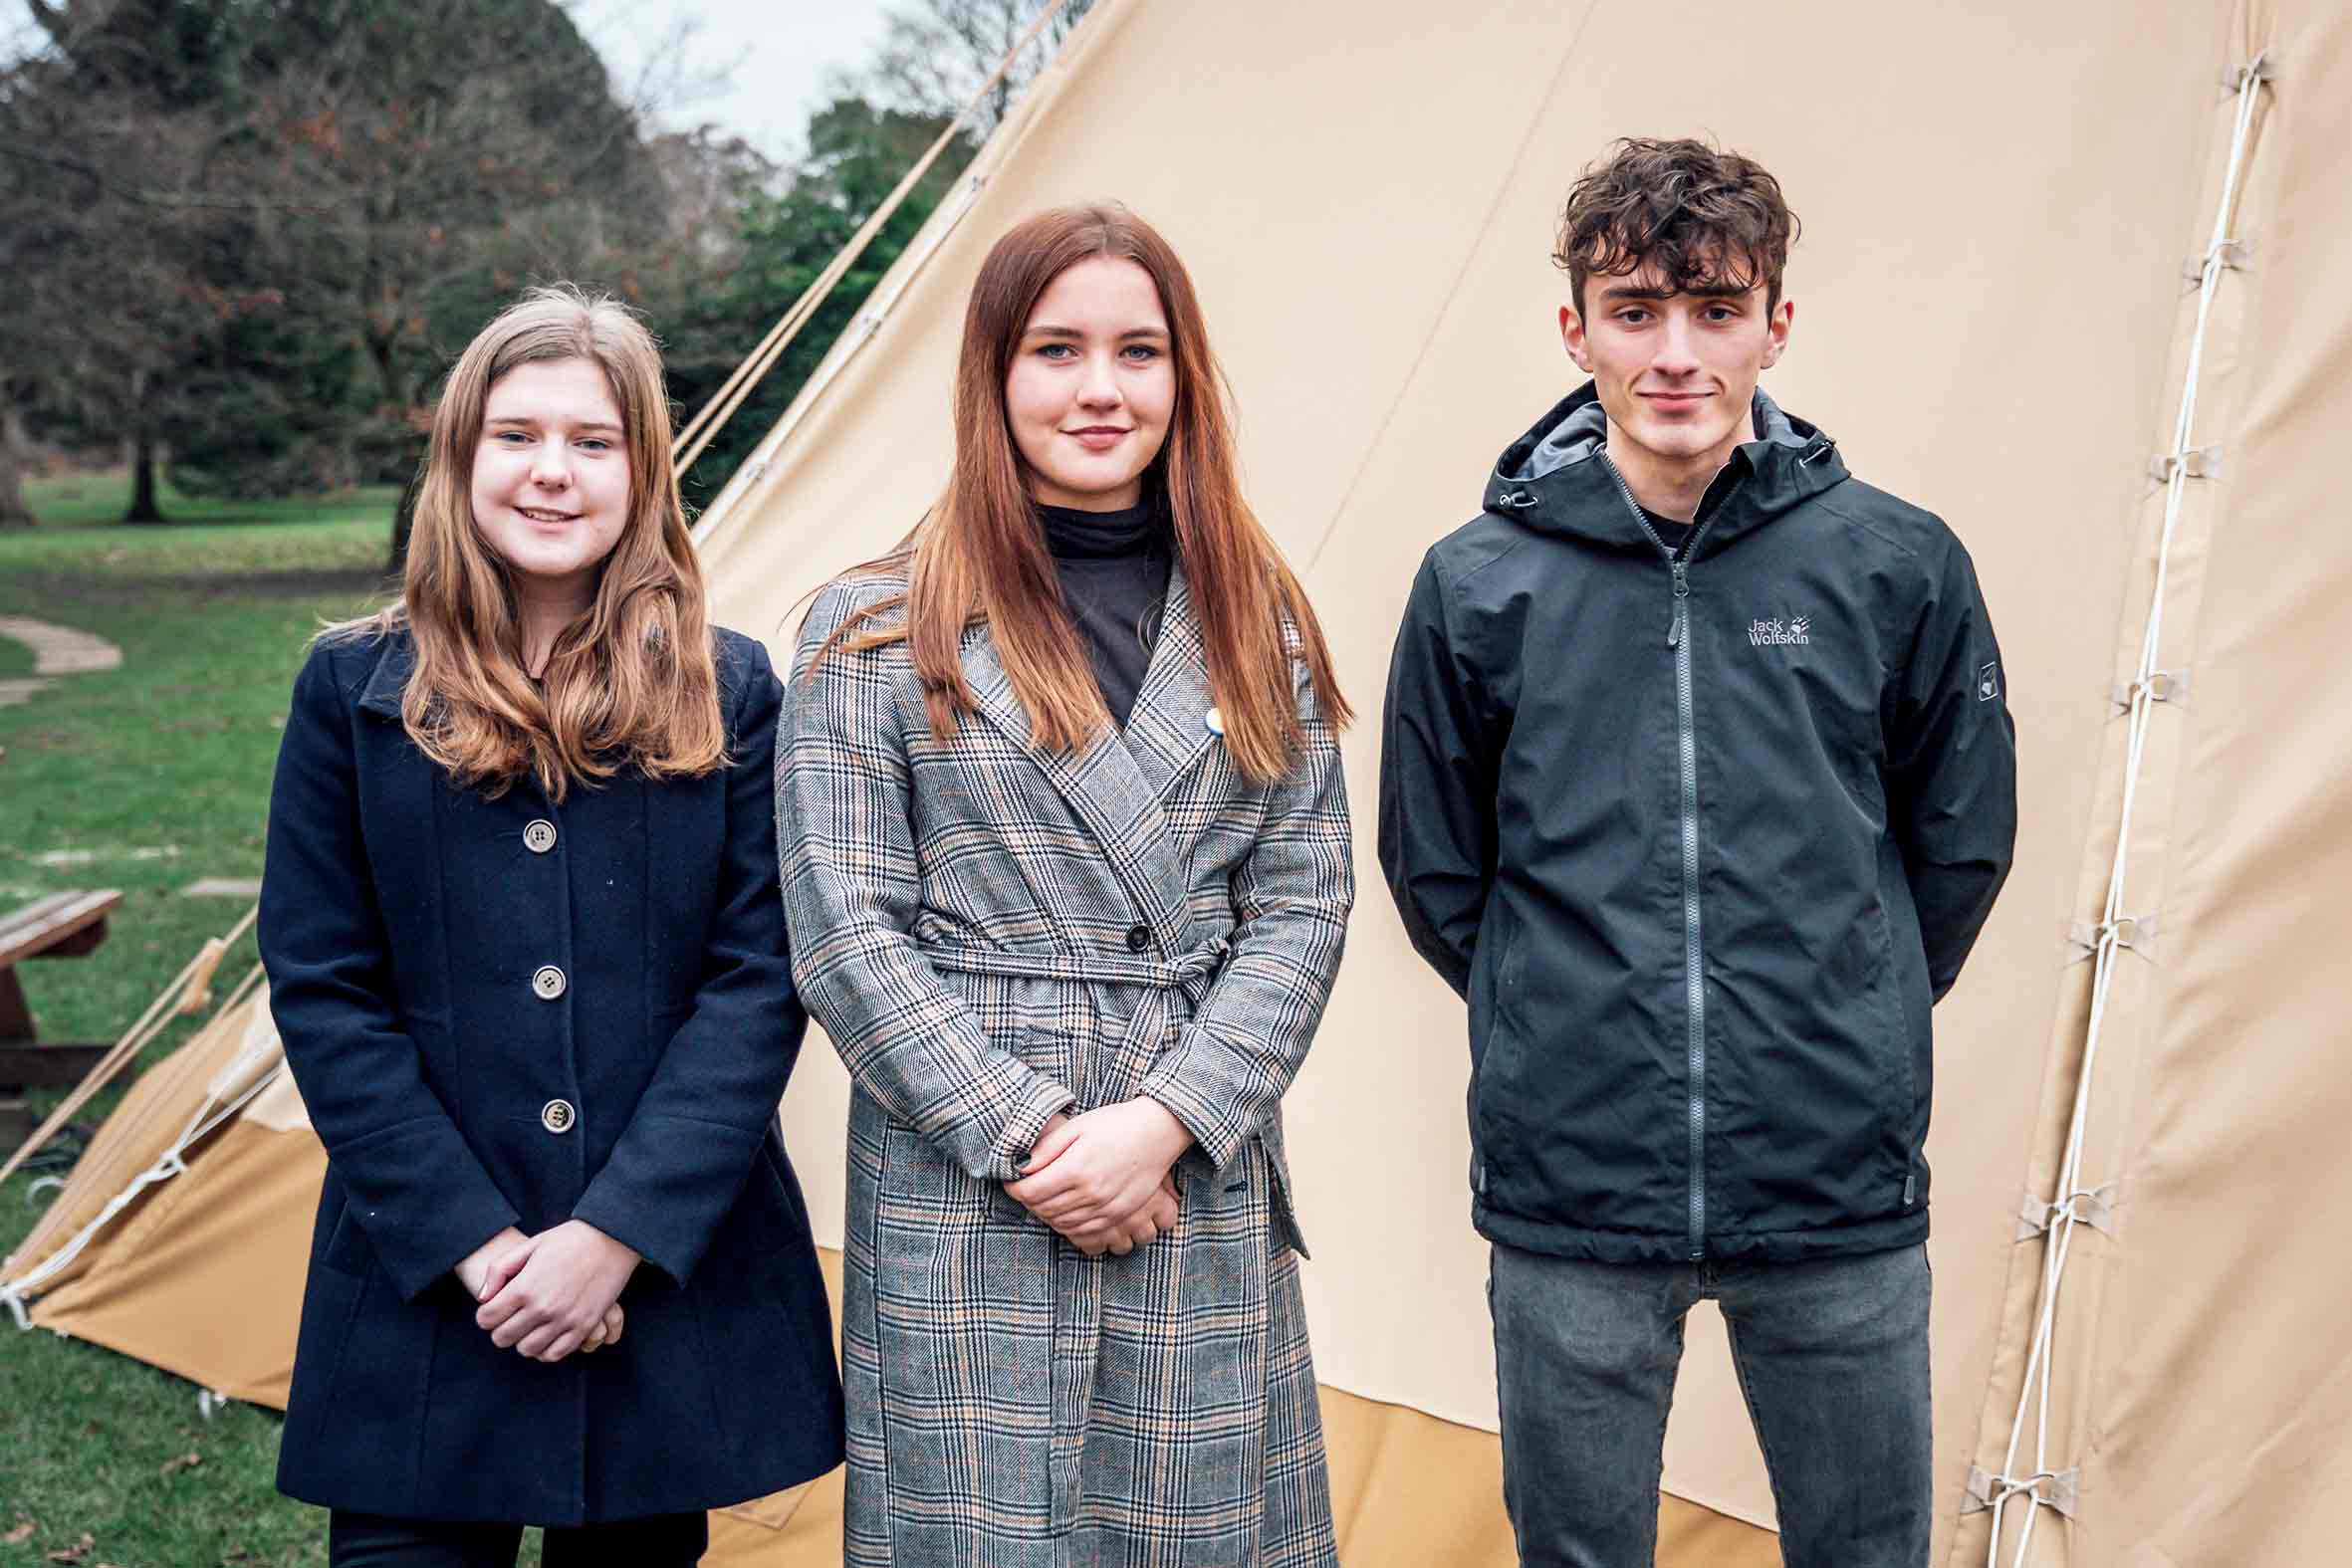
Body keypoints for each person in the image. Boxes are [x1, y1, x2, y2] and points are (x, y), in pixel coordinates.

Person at [1379, 138, 2017, 1567]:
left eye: (1714, 309)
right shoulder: (1476, 583)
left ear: (1774, 324)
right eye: (1634, 311)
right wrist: (1560, 1019)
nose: (1674, 353)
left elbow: (1957, 844)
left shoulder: (1895, 564)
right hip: (1572, 1183)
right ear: (1575, 330)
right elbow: (1437, 871)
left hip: (1832, 1174)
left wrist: (1847, 1009)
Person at [778, 202, 1353, 1568]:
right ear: (991, 374)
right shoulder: (868, 627)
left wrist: (1165, 1119)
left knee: (1194, 1527)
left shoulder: (1256, 624)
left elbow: (1301, 905)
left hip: (1186, 1163)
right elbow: (844, 927)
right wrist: (1038, 1138)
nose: (1101, 387)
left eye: (1137, 351)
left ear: (1181, 378)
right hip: (964, 1177)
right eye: (1056, 349)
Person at [259, 286, 844, 1567]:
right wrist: (477, 1248)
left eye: (593, 441)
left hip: (659, 1277)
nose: (552, 472)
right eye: (516, 435)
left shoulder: (730, 691)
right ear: (461, 456)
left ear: (644, 470)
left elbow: (758, 983)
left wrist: (612, 1239)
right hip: (424, 1272)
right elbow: (323, 986)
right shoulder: (353, 690)